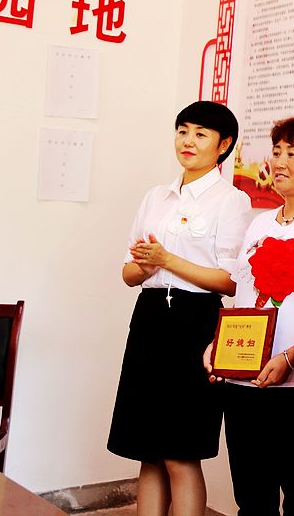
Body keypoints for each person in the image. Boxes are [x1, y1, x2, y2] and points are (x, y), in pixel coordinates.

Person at [108, 101, 252, 516]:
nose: (188, 141)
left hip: (196, 324)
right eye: (182, 130)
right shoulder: (156, 196)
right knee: (148, 450)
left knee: (181, 451)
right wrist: (146, 265)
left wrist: (168, 260)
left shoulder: (232, 200)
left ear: (223, 145)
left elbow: (230, 281)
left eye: (201, 134)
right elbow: (128, 273)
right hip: (150, 318)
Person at [203, 116, 294, 516]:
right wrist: (218, 344)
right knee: (251, 499)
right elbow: (245, 298)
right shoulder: (260, 222)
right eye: (276, 151)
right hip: (242, 380)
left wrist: (290, 355)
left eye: (293, 153)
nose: (279, 162)